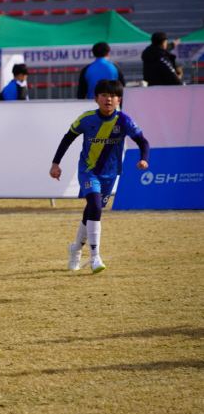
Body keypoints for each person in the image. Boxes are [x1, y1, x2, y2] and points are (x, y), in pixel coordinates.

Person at [49, 80, 150, 274]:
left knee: (91, 211)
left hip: (110, 174)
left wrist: (144, 159)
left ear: (119, 99)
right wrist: (55, 164)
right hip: (88, 171)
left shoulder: (124, 121)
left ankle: (75, 249)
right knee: (95, 207)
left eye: (112, 96)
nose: (108, 99)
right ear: (96, 99)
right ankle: (95, 257)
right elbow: (67, 138)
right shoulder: (86, 119)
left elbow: (143, 141)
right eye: (103, 95)